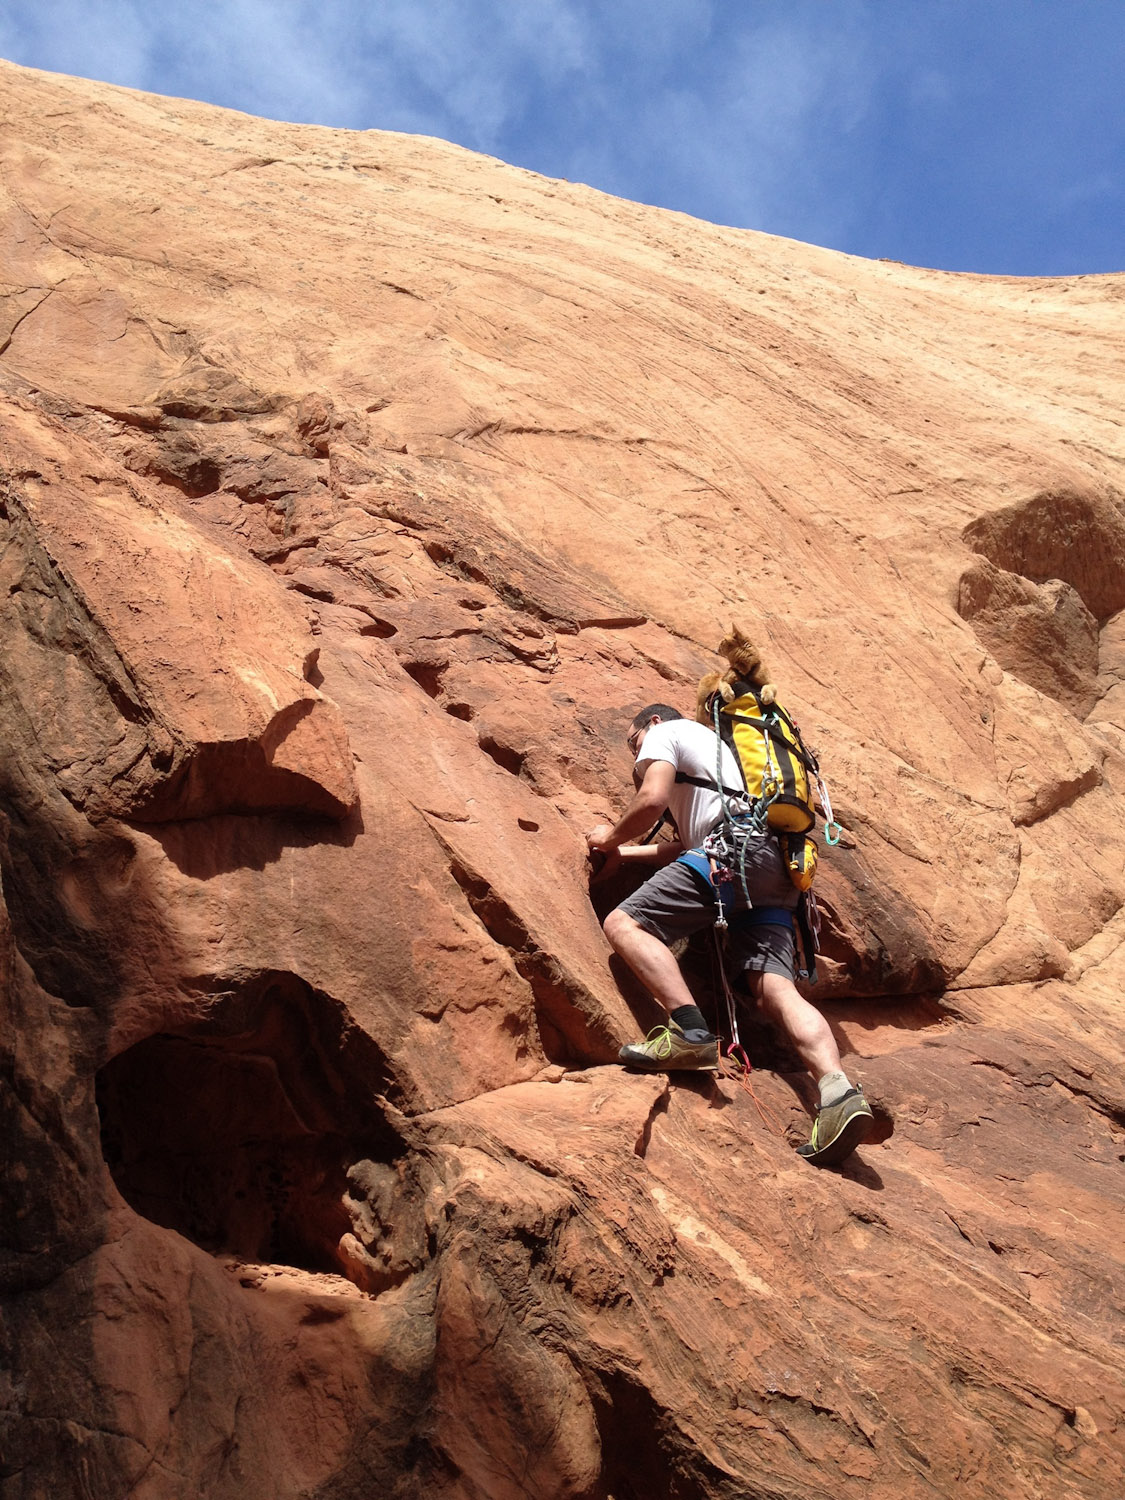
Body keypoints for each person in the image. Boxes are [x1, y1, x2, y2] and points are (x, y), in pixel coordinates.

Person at [586, 703, 874, 1167]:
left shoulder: (667, 733)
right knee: (775, 990)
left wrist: (608, 840)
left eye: (632, 743)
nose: (635, 756)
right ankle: (839, 1094)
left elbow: (652, 800)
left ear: (652, 723)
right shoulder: (722, 758)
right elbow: (682, 845)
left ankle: (689, 1033)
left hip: (731, 853)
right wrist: (630, 853)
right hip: (774, 868)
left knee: (625, 923)